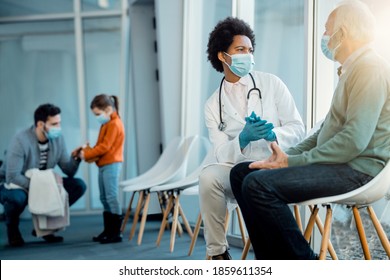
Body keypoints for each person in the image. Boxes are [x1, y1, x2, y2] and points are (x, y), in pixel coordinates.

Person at [230, 0, 390, 260]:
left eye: (327, 30)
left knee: (259, 185)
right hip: (342, 164)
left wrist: (293, 161)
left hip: (358, 170)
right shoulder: (351, 71)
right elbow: (323, 132)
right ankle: (272, 263)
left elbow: (354, 141)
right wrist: (284, 156)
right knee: (241, 173)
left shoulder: (369, 69)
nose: (324, 37)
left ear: (344, 33)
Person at [199, 17, 305, 260]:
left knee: (254, 181)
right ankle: (218, 254)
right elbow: (220, 153)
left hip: (274, 166)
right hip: (238, 170)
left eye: (250, 50)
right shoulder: (212, 105)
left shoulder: (271, 84)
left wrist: (273, 134)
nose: (248, 55)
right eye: (240, 50)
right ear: (222, 56)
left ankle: (273, 254)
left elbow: (298, 128)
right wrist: (242, 140)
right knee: (208, 177)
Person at [0, 104, 87, 247]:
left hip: (42, 183)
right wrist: (42, 186)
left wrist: (76, 158)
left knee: (78, 185)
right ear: (41, 124)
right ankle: (12, 229)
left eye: (59, 123)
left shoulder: (58, 139)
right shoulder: (20, 140)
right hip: (14, 185)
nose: (58, 127)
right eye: (54, 124)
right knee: (16, 199)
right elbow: (12, 176)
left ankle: (46, 228)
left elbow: (68, 170)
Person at [77, 94, 125, 244]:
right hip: (103, 164)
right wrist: (86, 152)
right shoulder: (106, 123)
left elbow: (104, 147)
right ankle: (108, 230)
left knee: (111, 196)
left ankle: (116, 233)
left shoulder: (114, 124)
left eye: (98, 114)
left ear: (108, 109)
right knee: (104, 198)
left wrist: (86, 154)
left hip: (112, 164)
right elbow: (100, 146)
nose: (97, 117)